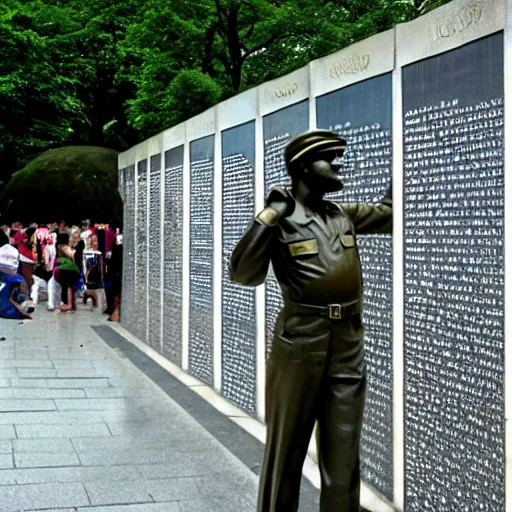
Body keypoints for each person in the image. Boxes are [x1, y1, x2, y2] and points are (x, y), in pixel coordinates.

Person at [230, 130, 392, 512]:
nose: (338, 165)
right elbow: (243, 273)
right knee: (286, 452)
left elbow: (389, 214)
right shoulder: (281, 221)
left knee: (344, 455)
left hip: (347, 344)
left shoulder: (342, 215)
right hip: (300, 345)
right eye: (329, 158)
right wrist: (268, 216)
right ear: (303, 166)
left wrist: (408, 162)